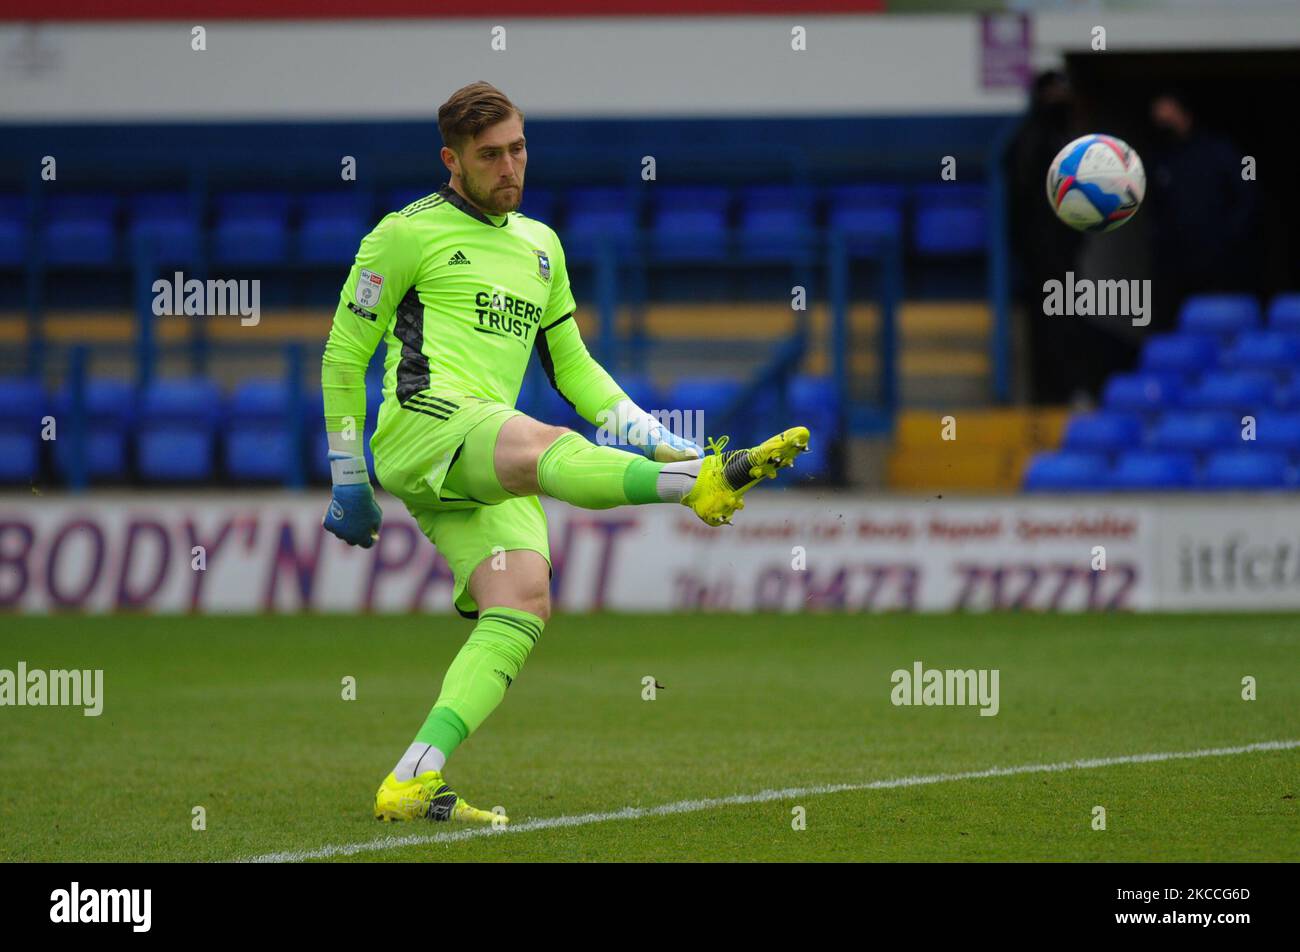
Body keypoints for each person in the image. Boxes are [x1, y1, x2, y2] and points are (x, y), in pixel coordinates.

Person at [319, 81, 809, 824]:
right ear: (452, 160)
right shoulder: (405, 233)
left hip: (477, 452)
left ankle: (413, 776)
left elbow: (577, 372)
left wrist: (668, 442)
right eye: (489, 156)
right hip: (423, 424)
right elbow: (341, 357)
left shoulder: (541, 246)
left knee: (520, 605)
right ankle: (695, 487)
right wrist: (348, 473)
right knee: (542, 443)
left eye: (517, 149)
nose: (509, 167)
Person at [1147, 90, 1255, 330]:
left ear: (1184, 113)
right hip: (1174, 267)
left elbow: (1245, 196)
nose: (1161, 121)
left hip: (1218, 265)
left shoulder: (1219, 151)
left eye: (1167, 113)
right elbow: (1155, 210)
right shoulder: (1160, 159)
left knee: (1220, 325)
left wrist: (1228, 239)